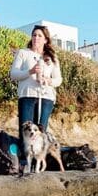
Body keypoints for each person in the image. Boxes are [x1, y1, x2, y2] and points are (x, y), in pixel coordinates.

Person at [10, 26, 62, 169]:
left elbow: (58, 79)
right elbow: (13, 74)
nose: (36, 38)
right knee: (26, 129)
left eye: (39, 36)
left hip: (46, 98)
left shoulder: (52, 57)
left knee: (41, 131)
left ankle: (37, 164)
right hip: (27, 95)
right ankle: (23, 163)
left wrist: (49, 80)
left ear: (45, 40)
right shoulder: (23, 53)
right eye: (34, 35)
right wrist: (30, 71)